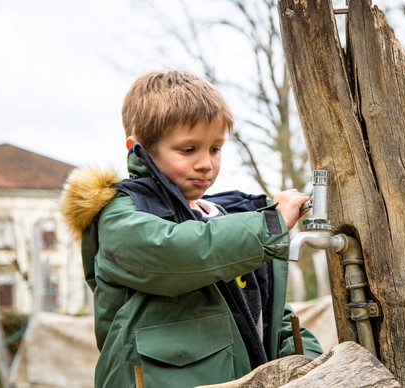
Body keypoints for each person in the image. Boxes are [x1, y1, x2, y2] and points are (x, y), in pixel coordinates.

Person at [60, 70, 322, 388]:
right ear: (138, 147)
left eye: (215, 148)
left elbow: (271, 312)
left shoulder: (227, 216)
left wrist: (310, 367)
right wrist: (270, 222)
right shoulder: (120, 215)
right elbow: (180, 252)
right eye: (188, 150)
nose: (205, 163)